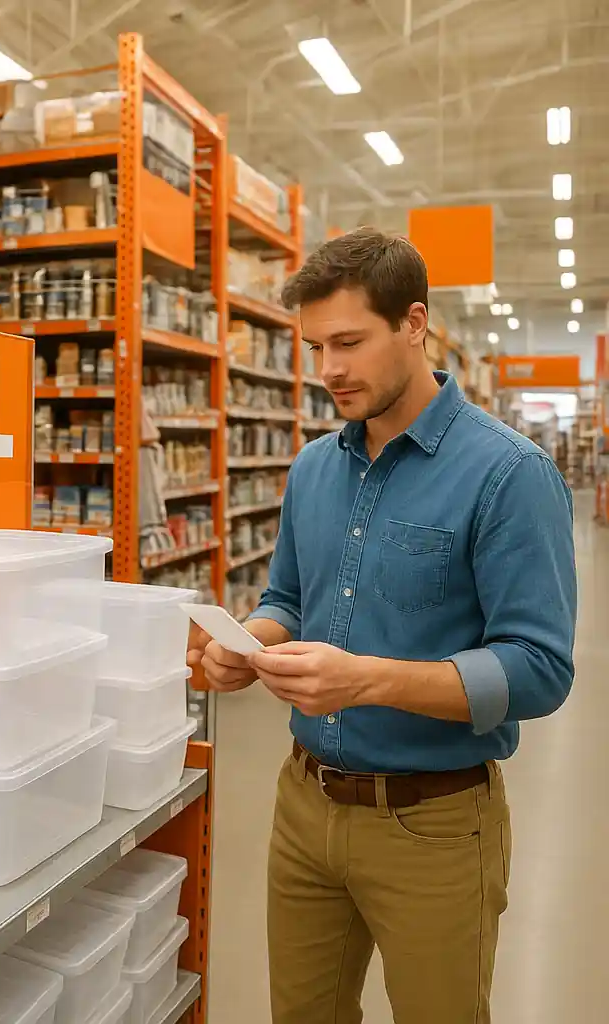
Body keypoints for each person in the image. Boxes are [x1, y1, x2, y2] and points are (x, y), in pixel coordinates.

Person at [188, 228, 577, 1024]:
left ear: (414, 324)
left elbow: (539, 668)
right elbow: (289, 600)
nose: (328, 369)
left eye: (349, 342)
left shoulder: (509, 475)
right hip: (303, 805)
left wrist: (365, 680)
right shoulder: (310, 469)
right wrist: (248, 643)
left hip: (433, 825)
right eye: (315, 346)